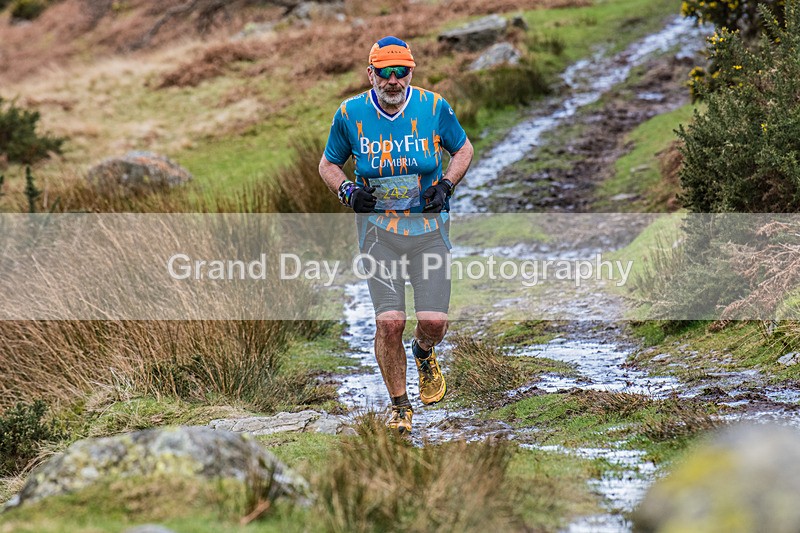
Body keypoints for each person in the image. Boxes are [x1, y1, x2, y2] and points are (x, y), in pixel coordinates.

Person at [318, 36, 474, 434]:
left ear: (411, 72)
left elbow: (464, 149)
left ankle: (424, 352)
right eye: (384, 73)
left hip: (429, 232)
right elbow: (328, 164)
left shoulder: (434, 107)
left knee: (434, 321)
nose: (392, 80)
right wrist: (348, 191)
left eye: (400, 71)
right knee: (390, 323)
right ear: (370, 74)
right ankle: (400, 407)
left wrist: (447, 186)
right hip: (378, 234)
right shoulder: (350, 113)